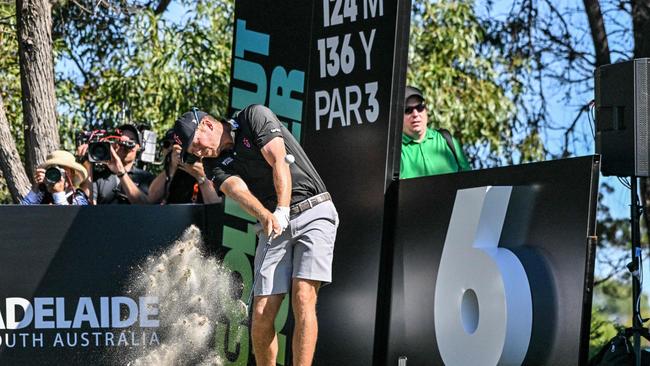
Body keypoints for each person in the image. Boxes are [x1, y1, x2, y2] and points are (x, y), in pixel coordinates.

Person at [174, 105, 338, 366]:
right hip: (273, 224)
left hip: (313, 209)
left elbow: (279, 160)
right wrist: (265, 214)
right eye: (193, 152)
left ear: (207, 124)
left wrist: (282, 208)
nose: (198, 152)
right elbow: (236, 189)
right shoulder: (214, 163)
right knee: (261, 315)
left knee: (303, 295)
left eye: (196, 144)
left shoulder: (253, 116)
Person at [400, 85, 471, 179]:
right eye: (408, 110)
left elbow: (470, 181)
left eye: (420, 107)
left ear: (426, 110)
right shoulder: (394, 152)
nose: (415, 114)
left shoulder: (446, 140)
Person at [148, 129, 221, 204]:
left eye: (178, 143)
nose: (172, 148)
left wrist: (201, 176)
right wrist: (171, 168)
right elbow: (151, 198)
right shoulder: (168, 173)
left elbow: (215, 206)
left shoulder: (210, 167)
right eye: (167, 144)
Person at [91, 124, 155, 204]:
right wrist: (87, 164)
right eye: (121, 141)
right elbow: (89, 209)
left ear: (138, 147)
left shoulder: (146, 178)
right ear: (114, 144)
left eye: (131, 140)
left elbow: (147, 208)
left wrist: (121, 173)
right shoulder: (98, 178)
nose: (125, 145)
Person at [21, 150, 89, 205]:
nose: (57, 172)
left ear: (72, 173)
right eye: (52, 168)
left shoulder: (78, 196)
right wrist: (35, 188)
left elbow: (73, 219)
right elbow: (20, 214)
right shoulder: (43, 194)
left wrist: (58, 193)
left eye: (61, 167)